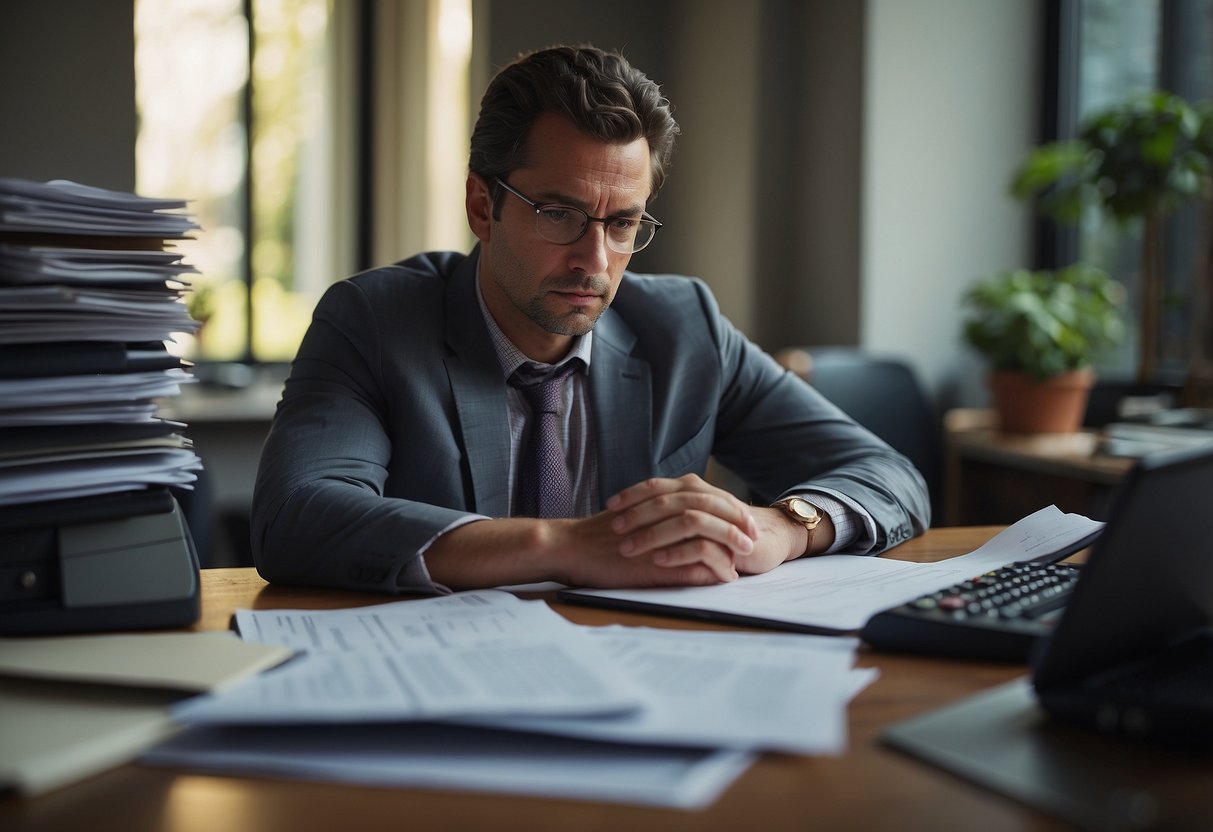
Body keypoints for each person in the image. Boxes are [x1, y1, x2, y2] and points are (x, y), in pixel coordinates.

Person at [251, 44, 930, 595]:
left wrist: (777, 527)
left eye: (622, 223)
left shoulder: (681, 327)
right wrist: (567, 546)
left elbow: (886, 473)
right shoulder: (374, 320)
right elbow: (296, 518)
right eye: (560, 215)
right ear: (483, 207)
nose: (595, 261)